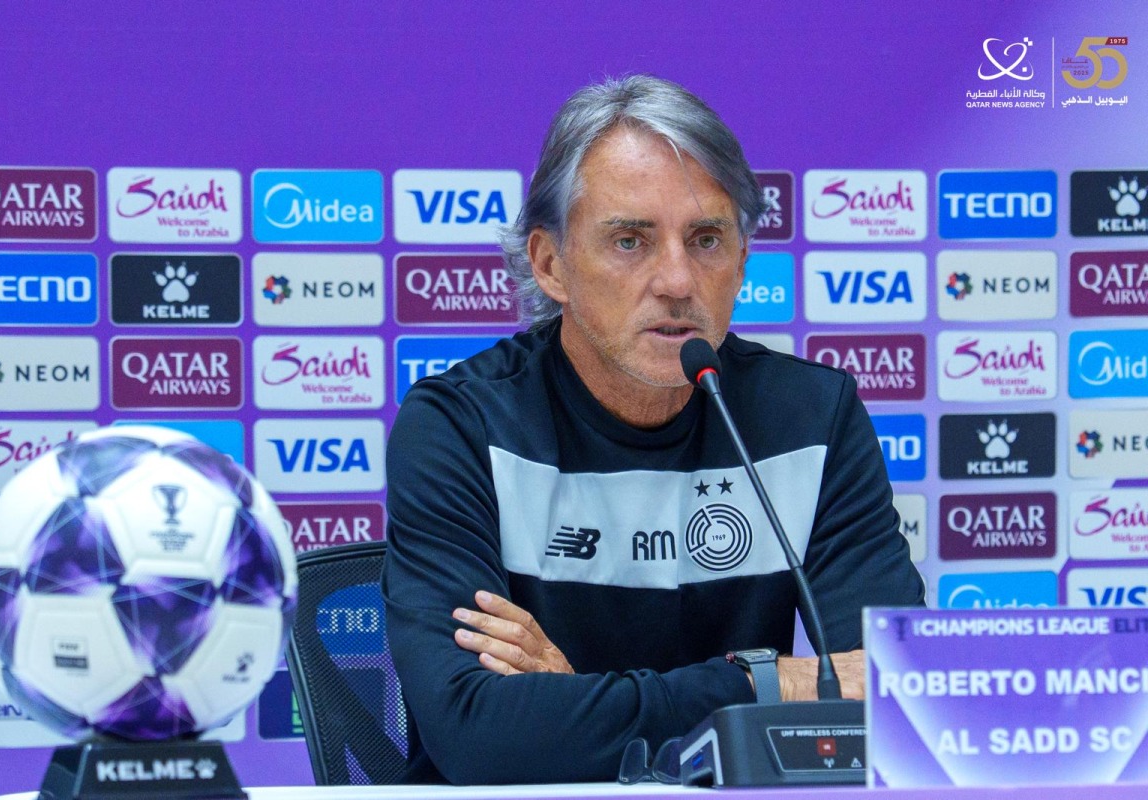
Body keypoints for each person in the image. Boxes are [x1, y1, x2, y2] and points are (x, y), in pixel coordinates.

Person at [382, 74, 924, 785]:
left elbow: (895, 702)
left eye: (706, 239)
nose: (676, 279)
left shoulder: (810, 419)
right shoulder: (461, 425)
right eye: (631, 240)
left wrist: (573, 698)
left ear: (741, 264)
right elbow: (481, 735)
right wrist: (765, 684)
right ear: (551, 264)